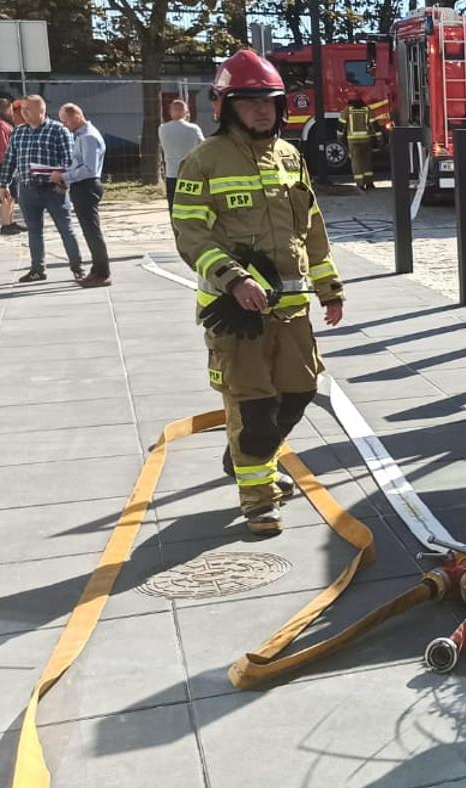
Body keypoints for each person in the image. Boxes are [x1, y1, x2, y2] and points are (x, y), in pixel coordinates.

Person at [171, 49, 346, 537]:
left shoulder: (290, 156)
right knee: (252, 409)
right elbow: (190, 232)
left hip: (292, 311)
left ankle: (246, 456)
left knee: (300, 391)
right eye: (248, 102)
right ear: (225, 107)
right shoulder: (203, 160)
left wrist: (329, 287)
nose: (261, 110)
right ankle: (259, 501)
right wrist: (233, 278)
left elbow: (311, 228)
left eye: (269, 101)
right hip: (235, 314)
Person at [1, 95, 83, 283]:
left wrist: (63, 182)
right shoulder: (18, 132)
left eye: (28, 109)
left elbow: (69, 159)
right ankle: (37, 269)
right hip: (27, 188)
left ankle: (77, 268)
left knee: (66, 229)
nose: (24, 113)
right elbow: (10, 159)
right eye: (22, 109)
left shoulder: (58, 130)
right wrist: (3, 183)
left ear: (41, 110)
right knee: (34, 230)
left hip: (53, 189)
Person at [52, 102, 109, 286]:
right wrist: (65, 178)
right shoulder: (81, 136)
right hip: (82, 185)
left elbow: (89, 169)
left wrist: (64, 176)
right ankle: (97, 270)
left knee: (92, 232)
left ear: (76, 116)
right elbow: (79, 164)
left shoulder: (88, 137)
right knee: (89, 231)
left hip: (87, 186)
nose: (64, 125)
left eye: (65, 120)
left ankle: (102, 273)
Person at [158, 98, 204, 207]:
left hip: (172, 173)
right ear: (186, 112)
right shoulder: (194, 129)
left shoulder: (162, 129)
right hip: (191, 174)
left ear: (170, 112)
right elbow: (203, 147)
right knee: (192, 204)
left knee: (174, 205)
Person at [0, 101, 20, 235]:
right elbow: (2, 145)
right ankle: (6, 224)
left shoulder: (1, 122)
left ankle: (10, 221)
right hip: (2, 162)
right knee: (6, 193)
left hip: (4, 161)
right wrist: (9, 161)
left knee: (12, 194)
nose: (12, 112)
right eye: (10, 109)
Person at [344, 95, 373, 191]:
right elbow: (373, 124)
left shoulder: (348, 110)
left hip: (353, 140)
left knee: (356, 162)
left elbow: (341, 123)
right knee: (367, 161)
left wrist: (340, 137)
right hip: (366, 140)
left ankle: (360, 184)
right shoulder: (367, 109)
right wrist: (379, 138)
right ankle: (369, 183)